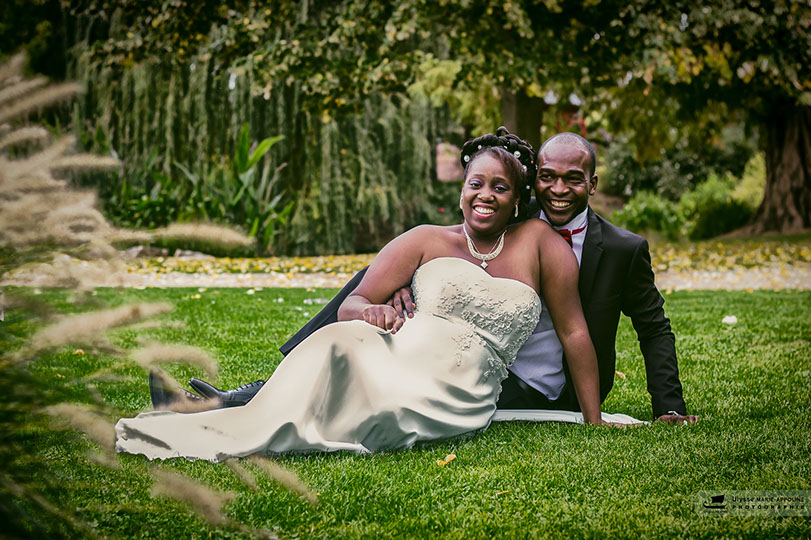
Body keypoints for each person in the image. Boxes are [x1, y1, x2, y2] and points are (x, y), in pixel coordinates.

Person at [116, 128, 617, 462]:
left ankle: (220, 408)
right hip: (396, 349)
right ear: (461, 189)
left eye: (500, 188)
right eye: (475, 183)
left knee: (366, 407)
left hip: (459, 389)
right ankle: (219, 409)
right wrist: (374, 310)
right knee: (335, 344)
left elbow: (575, 331)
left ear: (518, 198)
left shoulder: (541, 244)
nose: (485, 195)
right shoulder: (425, 239)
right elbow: (353, 302)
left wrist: (592, 421)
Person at [189, 133, 698, 425]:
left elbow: (652, 329)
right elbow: (472, 228)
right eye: (547, 177)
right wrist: (411, 284)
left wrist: (667, 409)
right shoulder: (508, 216)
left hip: (541, 384)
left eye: (573, 179)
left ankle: (261, 396)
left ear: (593, 183)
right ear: (533, 181)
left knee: (389, 376)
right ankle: (274, 382)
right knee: (379, 279)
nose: (558, 189)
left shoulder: (623, 249)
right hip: (456, 349)